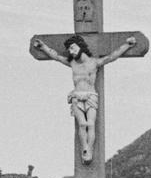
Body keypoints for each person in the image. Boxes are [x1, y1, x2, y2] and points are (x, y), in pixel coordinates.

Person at [32, 33, 138, 163]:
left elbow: (112, 56)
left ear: (81, 46)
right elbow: (56, 56)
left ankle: (90, 149)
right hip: (76, 96)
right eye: (69, 49)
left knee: (90, 124)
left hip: (90, 96)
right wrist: (43, 47)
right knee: (82, 124)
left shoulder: (94, 62)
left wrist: (127, 45)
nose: (71, 51)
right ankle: (85, 148)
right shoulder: (72, 63)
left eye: (72, 48)